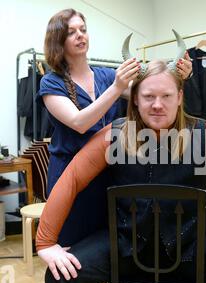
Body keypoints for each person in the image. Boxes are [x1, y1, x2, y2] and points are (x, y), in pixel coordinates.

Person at [36, 59, 206, 283]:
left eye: (166, 96)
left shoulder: (204, 135)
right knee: (61, 279)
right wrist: (46, 242)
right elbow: (72, 179)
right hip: (124, 242)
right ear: (135, 98)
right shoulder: (114, 135)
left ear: (179, 97)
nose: (157, 104)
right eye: (148, 96)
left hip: (193, 244)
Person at [38, 8, 193, 246]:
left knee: (106, 248)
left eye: (83, 29)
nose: (81, 35)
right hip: (70, 178)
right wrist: (117, 86)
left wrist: (179, 75)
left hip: (107, 175)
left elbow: (147, 96)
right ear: (58, 40)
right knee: (69, 252)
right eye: (71, 32)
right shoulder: (50, 82)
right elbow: (80, 123)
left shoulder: (107, 75)